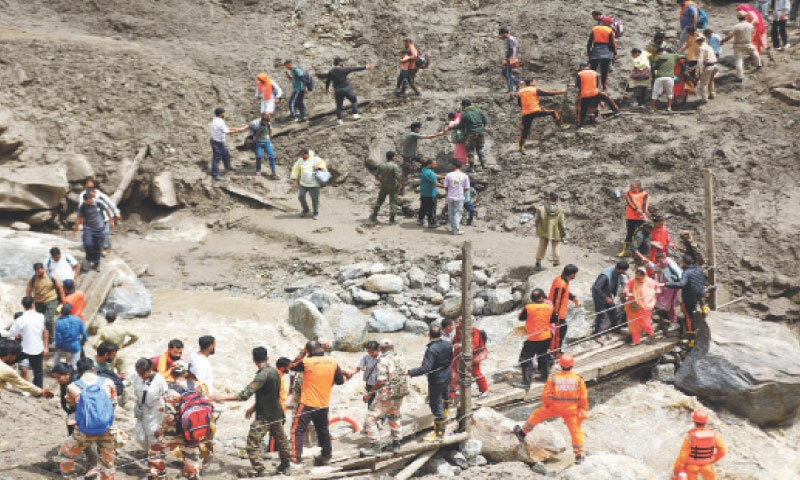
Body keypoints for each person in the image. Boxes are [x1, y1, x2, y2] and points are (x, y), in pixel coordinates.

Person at [210, 347, 295, 477]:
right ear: (267, 358)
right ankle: (286, 465)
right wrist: (252, 408)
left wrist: (219, 397)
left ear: (254, 359)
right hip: (277, 413)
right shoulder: (275, 372)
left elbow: (244, 395)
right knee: (281, 441)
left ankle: (260, 470)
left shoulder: (261, 376)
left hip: (264, 416)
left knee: (252, 443)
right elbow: (270, 395)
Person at [513, 354, 588, 465]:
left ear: (560, 365)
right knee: (575, 431)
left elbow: (545, 395)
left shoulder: (553, 378)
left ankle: (522, 433)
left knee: (537, 415)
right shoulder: (578, 380)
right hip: (571, 410)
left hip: (554, 407)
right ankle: (578, 456)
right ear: (572, 365)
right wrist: (583, 410)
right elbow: (583, 397)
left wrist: (548, 405)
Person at [58, 358, 118, 480]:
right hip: (106, 429)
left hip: (84, 431)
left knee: (65, 454)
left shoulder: (72, 386)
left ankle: (70, 478)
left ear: (78, 371)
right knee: (108, 461)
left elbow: (71, 405)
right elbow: (114, 403)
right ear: (93, 368)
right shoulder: (109, 382)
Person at [288, 340, 345, 467]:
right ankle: (326, 455)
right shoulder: (333, 362)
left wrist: (302, 353)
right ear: (321, 349)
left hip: (307, 403)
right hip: (323, 404)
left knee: (297, 430)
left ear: (308, 351)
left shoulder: (307, 362)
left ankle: (296, 460)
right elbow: (340, 381)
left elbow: (291, 366)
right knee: (323, 430)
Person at [147, 362, 204, 480]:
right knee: (192, 459)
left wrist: (160, 430)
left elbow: (169, 416)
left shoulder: (171, 392)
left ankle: (159, 476)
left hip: (175, 431)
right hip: (193, 430)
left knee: (155, 451)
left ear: (172, 373)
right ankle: (192, 476)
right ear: (186, 373)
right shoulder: (197, 387)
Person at [359, 338, 409, 457]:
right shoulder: (401, 357)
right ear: (393, 347)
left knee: (370, 419)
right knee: (394, 416)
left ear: (380, 349)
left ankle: (375, 447)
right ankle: (396, 445)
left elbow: (381, 381)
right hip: (400, 393)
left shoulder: (383, 360)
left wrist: (370, 393)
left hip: (386, 395)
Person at [407, 325, 453, 441]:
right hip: (447, 374)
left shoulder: (431, 349)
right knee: (445, 393)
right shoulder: (447, 344)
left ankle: (439, 434)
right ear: (441, 334)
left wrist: (410, 372)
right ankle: (446, 412)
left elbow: (426, 368)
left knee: (435, 403)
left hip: (436, 379)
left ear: (429, 335)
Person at [514, 288, 557, 389]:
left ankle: (526, 382)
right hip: (546, 336)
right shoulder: (549, 307)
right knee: (542, 356)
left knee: (525, 359)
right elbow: (554, 319)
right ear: (542, 297)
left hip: (534, 338)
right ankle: (544, 377)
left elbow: (521, 318)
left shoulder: (528, 307)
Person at [517, 78, 569, 152]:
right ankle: (560, 125)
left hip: (526, 113)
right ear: (531, 82)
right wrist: (562, 92)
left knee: (524, 130)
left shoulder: (520, 92)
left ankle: (520, 147)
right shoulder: (534, 90)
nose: (535, 82)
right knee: (553, 112)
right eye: (534, 81)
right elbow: (548, 93)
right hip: (535, 111)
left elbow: (519, 104)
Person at [672, 410, 727, 480]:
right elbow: (723, 451)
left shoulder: (690, 436)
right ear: (706, 421)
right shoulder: (714, 435)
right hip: (707, 466)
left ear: (694, 421)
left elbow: (683, 455)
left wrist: (676, 468)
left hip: (691, 466)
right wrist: (713, 459)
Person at [9, 296, 48, 388]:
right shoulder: (40, 317)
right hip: (32, 347)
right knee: (37, 371)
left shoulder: (22, 319)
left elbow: (11, 333)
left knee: (9, 361)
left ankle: (34, 390)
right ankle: (36, 391)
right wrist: (45, 347)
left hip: (26, 347)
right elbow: (45, 331)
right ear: (33, 305)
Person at [131, 357, 168, 451]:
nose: (141, 375)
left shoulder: (159, 379)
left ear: (149, 370)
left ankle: (153, 457)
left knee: (153, 435)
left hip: (155, 410)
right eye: (139, 373)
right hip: (142, 409)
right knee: (140, 436)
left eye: (143, 373)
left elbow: (166, 394)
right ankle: (148, 452)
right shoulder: (136, 377)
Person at [665, 254, 707, 337]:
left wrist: (667, 284)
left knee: (688, 315)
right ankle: (704, 308)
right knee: (698, 297)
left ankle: (690, 335)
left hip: (689, 297)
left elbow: (682, 284)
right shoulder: (699, 269)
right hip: (700, 293)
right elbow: (702, 279)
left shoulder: (686, 272)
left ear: (684, 262)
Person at [324, 57, 375, 124]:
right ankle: (355, 114)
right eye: (342, 61)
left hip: (337, 90)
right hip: (346, 88)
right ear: (340, 63)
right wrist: (365, 67)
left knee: (339, 105)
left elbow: (328, 81)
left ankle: (339, 120)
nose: (343, 62)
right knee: (354, 100)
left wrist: (326, 89)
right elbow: (354, 69)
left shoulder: (330, 72)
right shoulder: (344, 69)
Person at [449, 318, 489, 400]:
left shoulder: (475, 331)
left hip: (473, 355)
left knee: (476, 372)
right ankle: (451, 394)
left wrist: (460, 345)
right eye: (458, 321)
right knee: (453, 372)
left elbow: (474, 345)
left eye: (461, 321)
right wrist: (452, 343)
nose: (458, 323)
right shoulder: (458, 328)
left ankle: (484, 390)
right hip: (458, 353)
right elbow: (456, 338)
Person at [73, 193, 114, 271]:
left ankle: (96, 263)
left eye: (91, 199)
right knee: (88, 244)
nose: (90, 201)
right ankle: (89, 258)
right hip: (88, 228)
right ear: (85, 201)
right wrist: (75, 230)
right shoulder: (83, 207)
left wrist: (111, 220)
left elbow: (107, 210)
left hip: (99, 228)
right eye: (88, 200)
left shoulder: (98, 203)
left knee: (98, 246)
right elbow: (79, 218)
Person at [574, 61, 621, 128]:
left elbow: (578, 85)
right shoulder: (595, 73)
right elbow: (598, 85)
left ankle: (580, 125)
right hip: (595, 92)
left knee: (582, 111)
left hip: (585, 95)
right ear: (589, 66)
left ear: (581, 67)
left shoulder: (580, 74)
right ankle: (616, 111)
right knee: (608, 98)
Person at [78, 179, 121, 251]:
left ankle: (106, 247)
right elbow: (81, 206)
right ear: (85, 186)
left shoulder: (99, 195)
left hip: (105, 217)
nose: (90, 189)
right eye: (88, 187)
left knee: (105, 232)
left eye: (91, 187)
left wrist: (116, 212)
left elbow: (109, 202)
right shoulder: (83, 195)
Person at [26, 262, 64, 341]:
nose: (39, 272)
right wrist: (28, 302)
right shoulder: (32, 279)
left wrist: (63, 300)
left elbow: (60, 288)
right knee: (40, 320)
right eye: (37, 271)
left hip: (51, 300)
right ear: (35, 271)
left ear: (43, 269)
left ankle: (51, 339)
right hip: (38, 302)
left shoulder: (51, 276)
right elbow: (29, 291)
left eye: (41, 270)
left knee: (48, 320)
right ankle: (43, 337)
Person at [721, 11, 763, 82]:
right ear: (745, 17)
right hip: (748, 43)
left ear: (738, 18)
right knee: (755, 52)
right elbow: (753, 33)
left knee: (739, 60)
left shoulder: (736, 27)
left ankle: (740, 77)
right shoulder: (750, 25)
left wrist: (723, 41)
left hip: (738, 45)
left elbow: (729, 36)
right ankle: (759, 65)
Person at [643, 252, 684, 324]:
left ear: (663, 258)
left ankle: (674, 320)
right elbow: (655, 267)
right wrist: (648, 262)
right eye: (658, 261)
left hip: (673, 285)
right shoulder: (662, 264)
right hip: (665, 285)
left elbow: (679, 273)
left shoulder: (670, 263)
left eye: (660, 260)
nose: (659, 262)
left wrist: (680, 283)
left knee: (671, 302)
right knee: (662, 299)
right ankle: (665, 315)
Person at [624, 266, 660, 345]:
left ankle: (652, 336)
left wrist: (656, 290)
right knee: (633, 324)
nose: (638, 276)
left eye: (640, 275)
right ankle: (636, 341)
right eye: (637, 274)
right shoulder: (632, 281)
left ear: (644, 275)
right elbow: (626, 289)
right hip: (633, 306)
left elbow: (657, 287)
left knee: (645, 323)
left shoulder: (650, 282)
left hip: (645, 306)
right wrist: (627, 292)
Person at [591, 261, 630, 334]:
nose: (624, 272)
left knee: (613, 310)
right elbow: (596, 288)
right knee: (601, 314)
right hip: (599, 295)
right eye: (624, 271)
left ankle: (614, 328)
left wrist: (625, 288)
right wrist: (605, 298)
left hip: (607, 293)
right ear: (620, 269)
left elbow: (622, 280)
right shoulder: (605, 276)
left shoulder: (618, 272)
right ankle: (597, 333)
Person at [402, 122, 444, 188]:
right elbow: (428, 137)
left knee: (426, 161)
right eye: (419, 128)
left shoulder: (410, 134)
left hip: (413, 155)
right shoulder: (413, 134)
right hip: (408, 156)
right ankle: (402, 186)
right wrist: (439, 134)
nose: (419, 130)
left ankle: (427, 175)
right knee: (406, 170)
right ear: (416, 129)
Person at [550, 265, 580, 356]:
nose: (575, 276)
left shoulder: (561, 279)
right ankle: (556, 352)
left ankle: (556, 351)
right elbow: (556, 300)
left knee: (561, 330)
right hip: (557, 314)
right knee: (559, 332)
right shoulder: (561, 284)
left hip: (559, 313)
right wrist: (556, 316)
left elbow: (565, 293)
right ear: (571, 274)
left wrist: (572, 297)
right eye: (574, 274)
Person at [290, 148, 328, 220]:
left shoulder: (315, 159)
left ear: (307, 154)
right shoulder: (300, 160)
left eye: (302, 155)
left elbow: (323, 165)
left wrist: (318, 167)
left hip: (314, 184)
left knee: (315, 199)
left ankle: (315, 213)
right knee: (301, 196)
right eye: (301, 155)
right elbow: (295, 169)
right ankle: (306, 209)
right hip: (303, 183)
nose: (301, 157)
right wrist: (295, 178)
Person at [209, 107, 244, 181]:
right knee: (217, 157)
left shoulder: (216, 119)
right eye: (223, 113)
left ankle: (228, 167)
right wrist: (237, 131)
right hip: (216, 142)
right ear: (221, 114)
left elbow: (226, 128)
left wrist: (236, 129)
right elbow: (227, 132)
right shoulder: (219, 122)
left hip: (218, 141)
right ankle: (215, 174)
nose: (224, 114)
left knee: (226, 154)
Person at [534, 192, 567, 271]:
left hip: (544, 230)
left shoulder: (541, 208)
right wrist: (564, 231)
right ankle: (556, 263)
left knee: (541, 247)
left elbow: (537, 220)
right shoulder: (560, 209)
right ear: (556, 199)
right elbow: (562, 222)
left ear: (549, 198)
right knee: (556, 247)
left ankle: (538, 263)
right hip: (556, 231)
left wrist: (538, 228)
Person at [370, 151, 402, 224]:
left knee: (380, 200)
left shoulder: (381, 165)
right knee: (393, 201)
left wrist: (382, 180)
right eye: (394, 156)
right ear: (393, 157)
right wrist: (400, 183)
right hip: (393, 185)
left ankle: (374, 215)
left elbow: (376, 175)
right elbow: (398, 176)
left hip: (384, 185)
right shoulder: (394, 166)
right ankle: (392, 219)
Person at [346, 340, 380, 408]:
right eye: (368, 352)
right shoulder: (366, 357)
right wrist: (351, 373)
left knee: (380, 402)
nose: (370, 354)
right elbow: (358, 368)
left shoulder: (383, 358)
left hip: (380, 383)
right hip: (370, 383)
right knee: (370, 402)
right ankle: (371, 415)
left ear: (378, 350)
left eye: (372, 352)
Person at [53, 304, 87, 371]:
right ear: (70, 311)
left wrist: (57, 347)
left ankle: (54, 369)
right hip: (75, 345)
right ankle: (73, 372)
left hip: (64, 345)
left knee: (57, 355)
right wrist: (84, 341)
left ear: (61, 313)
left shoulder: (59, 323)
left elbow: (58, 338)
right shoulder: (77, 319)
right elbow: (84, 333)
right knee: (74, 363)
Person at [650, 46, 684, 113]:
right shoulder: (673, 56)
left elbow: (654, 65)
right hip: (669, 77)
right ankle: (669, 108)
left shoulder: (658, 57)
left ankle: (651, 108)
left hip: (659, 77)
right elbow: (683, 56)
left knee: (655, 93)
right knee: (670, 93)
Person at [587, 16, 618, 89]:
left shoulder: (595, 29)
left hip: (595, 50)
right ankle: (604, 86)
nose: (610, 23)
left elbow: (590, 41)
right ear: (606, 22)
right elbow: (612, 43)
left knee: (593, 69)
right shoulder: (609, 30)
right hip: (606, 51)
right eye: (610, 22)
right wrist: (615, 53)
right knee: (604, 70)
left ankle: (592, 85)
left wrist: (588, 51)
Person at [620, 181, 649, 257]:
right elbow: (630, 203)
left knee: (641, 234)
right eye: (631, 186)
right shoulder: (628, 193)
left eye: (633, 186)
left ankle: (639, 251)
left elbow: (645, 204)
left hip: (641, 218)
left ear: (638, 186)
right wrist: (637, 210)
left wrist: (643, 212)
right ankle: (625, 251)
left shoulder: (645, 194)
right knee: (630, 233)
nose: (631, 187)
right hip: (631, 217)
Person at [245, 113, 278, 177]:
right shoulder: (256, 124)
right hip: (258, 142)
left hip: (267, 142)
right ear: (262, 120)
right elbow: (250, 131)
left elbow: (270, 130)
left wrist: (270, 138)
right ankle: (258, 170)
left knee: (272, 156)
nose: (266, 123)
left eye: (267, 122)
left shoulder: (268, 123)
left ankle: (273, 172)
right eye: (265, 122)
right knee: (259, 156)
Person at [458, 99, 488, 171]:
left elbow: (461, 126)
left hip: (471, 134)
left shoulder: (464, 114)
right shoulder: (479, 111)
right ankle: (483, 164)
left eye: (462, 106)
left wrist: (460, 134)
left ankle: (471, 168)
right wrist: (481, 128)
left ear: (464, 105)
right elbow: (485, 121)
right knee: (479, 149)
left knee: (470, 150)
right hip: (481, 133)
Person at [443, 160, 470, 235]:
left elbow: (445, 186)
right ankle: (456, 230)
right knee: (458, 213)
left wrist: (450, 192)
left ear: (454, 166)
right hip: (459, 197)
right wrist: (461, 192)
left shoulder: (448, 175)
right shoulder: (465, 176)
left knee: (451, 213)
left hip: (451, 197)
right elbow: (467, 188)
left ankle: (454, 228)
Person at [52, 362, 79, 435]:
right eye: (55, 377)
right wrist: (68, 410)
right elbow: (63, 397)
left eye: (58, 377)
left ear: (67, 375)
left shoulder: (76, 383)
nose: (57, 380)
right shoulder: (64, 382)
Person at [418, 158, 444, 228]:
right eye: (434, 164)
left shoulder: (425, 170)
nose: (436, 165)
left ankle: (420, 220)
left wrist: (445, 177)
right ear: (429, 164)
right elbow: (436, 183)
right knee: (432, 209)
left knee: (423, 207)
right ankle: (431, 222)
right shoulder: (429, 173)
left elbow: (436, 175)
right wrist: (445, 187)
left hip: (424, 192)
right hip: (430, 194)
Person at [694, 35, 718, 103]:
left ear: (699, 41)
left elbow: (700, 61)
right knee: (711, 80)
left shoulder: (702, 48)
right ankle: (712, 94)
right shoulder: (710, 47)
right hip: (715, 65)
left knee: (704, 83)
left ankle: (704, 98)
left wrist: (697, 72)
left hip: (708, 66)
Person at [499, 27, 520, 94]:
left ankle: (515, 85)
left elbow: (511, 49)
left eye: (502, 34)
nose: (501, 36)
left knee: (507, 74)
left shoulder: (509, 39)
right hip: (514, 58)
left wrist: (506, 59)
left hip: (510, 59)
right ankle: (514, 85)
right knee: (505, 72)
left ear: (504, 33)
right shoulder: (514, 38)